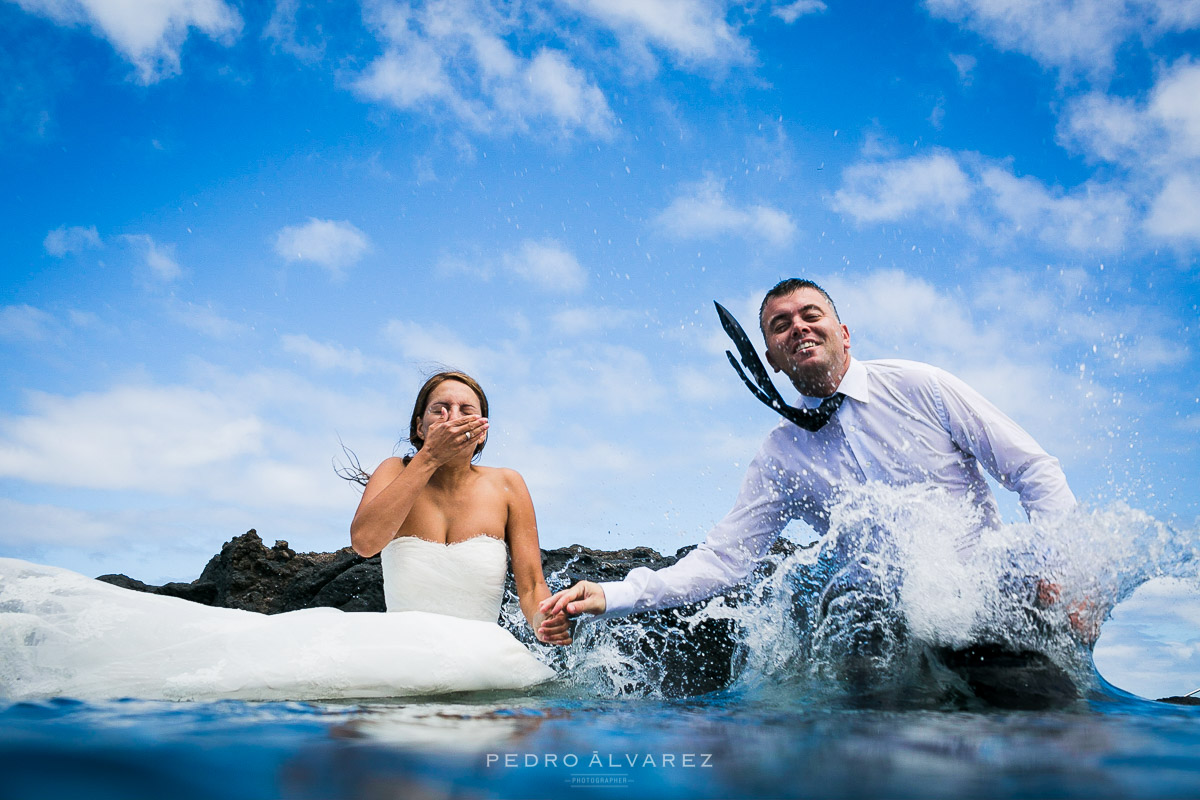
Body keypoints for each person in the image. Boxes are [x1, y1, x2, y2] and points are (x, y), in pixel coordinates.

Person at [538, 278, 1077, 637]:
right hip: (889, 631)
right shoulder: (779, 455)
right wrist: (615, 593)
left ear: (842, 332)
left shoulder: (921, 386)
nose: (798, 326)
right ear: (772, 358)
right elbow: (724, 560)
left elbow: (1033, 471)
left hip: (983, 607)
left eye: (810, 314)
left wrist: (1061, 570)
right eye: (780, 325)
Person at [0, 370, 565, 702]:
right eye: (438, 409)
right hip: (398, 657)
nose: (451, 416)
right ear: (419, 426)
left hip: (482, 658)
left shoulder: (508, 485)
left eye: (465, 409)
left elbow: (531, 586)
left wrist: (548, 621)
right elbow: (367, 542)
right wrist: (424, 462)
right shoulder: (396, 473)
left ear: (483, 426)